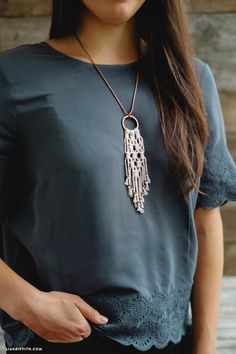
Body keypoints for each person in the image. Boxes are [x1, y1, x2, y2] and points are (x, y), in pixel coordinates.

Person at [0, 0, 236, 353]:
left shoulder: (192, 79)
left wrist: (205, 346)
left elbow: (205, 219)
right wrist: (25, 302)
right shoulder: (14, 79)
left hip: (175, 342)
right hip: (60, 340)